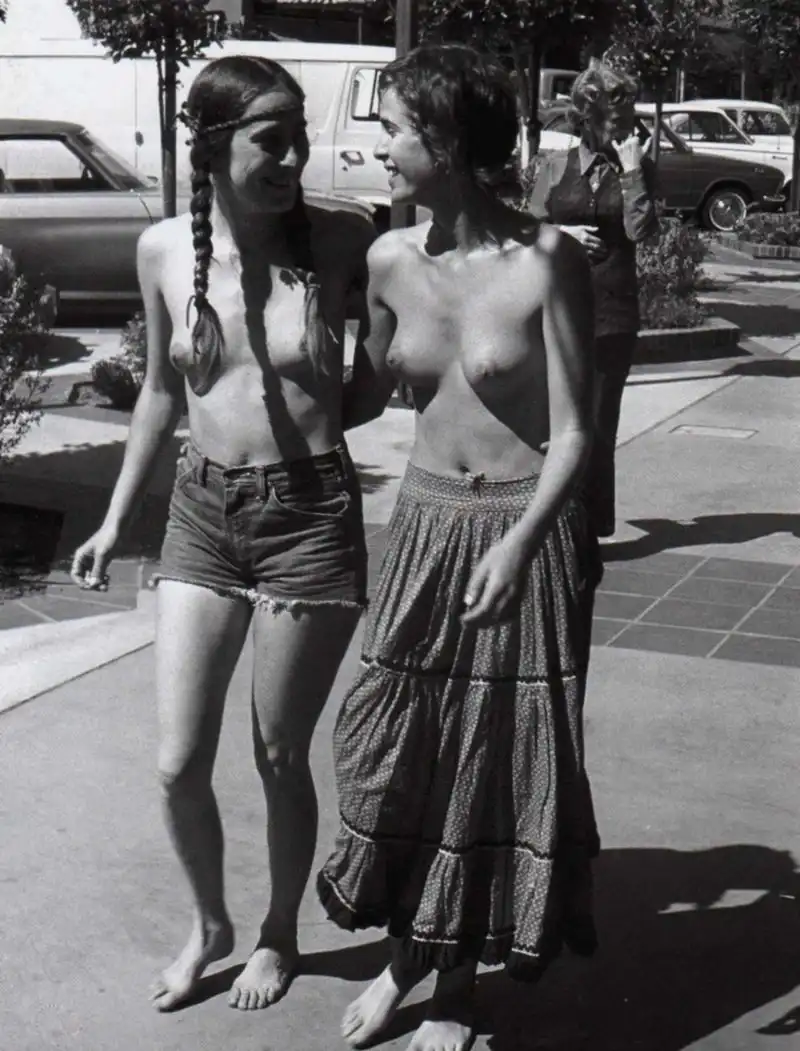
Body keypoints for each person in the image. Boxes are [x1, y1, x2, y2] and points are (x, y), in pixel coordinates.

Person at [70, 55, 373, 1013]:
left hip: (309, 519)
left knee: (279, 755)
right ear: (211, 146)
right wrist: (117, 517)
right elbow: (162, 393)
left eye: (299, 138)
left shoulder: (344, 238)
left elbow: (387, 364)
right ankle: (210, 923)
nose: (293, 158)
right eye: (269, 140)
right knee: (176, 763)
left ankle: (279, 930)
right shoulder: (163, 248)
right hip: (201, 514)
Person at [317, 44, 601, 1051]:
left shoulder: (547, 261)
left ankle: (451, 986)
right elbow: (365, 395)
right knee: (394, 744)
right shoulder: (388, 259)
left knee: (489, 756)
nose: (380, 145)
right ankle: (408, 949)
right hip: (423, 522)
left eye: (395, 129)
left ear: (446, 140)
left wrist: (520, 545)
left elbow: (576, 432)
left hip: (521, 525)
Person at [529, 58, 658, 538]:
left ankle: (589, 527)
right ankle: (551, 519)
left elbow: (641, 232)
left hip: (611, 313)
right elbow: (526, 226)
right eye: (617, 121)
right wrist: (560, 232)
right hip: (554, 309)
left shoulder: (638, 167)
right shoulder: (555, 165)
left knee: (599, 425)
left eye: (630, 120)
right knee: (549, 422)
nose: (628, 130)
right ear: (589, 119)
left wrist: (633, 171)